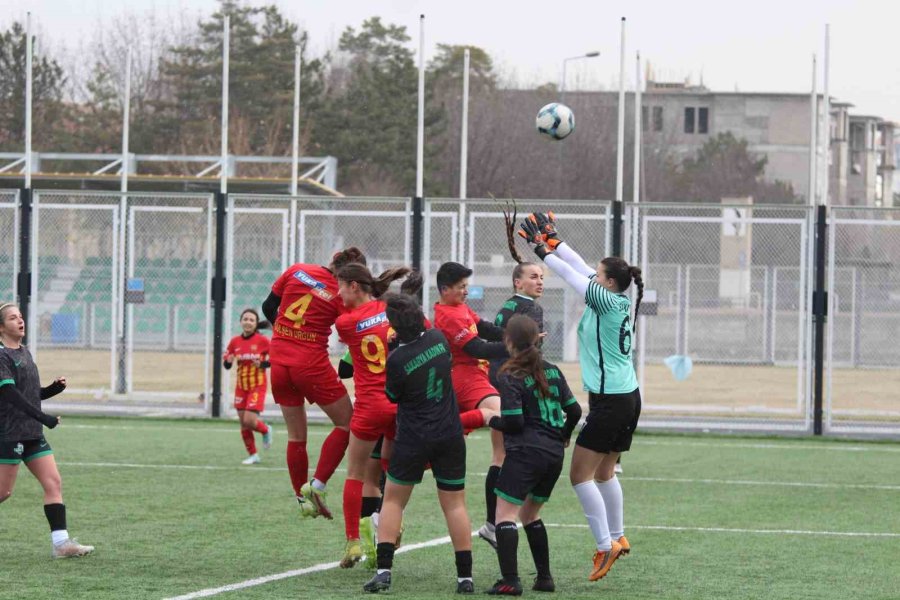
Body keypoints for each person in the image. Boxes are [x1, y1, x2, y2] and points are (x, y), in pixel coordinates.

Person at [519, 213, 643, 582]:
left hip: (611, 402)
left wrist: (538, 249)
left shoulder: (603, 300)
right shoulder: (613, 295)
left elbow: (570, 274)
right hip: (629, 397)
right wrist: (552, 238)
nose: (594, 274)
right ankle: (618, 535)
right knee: (605, 473)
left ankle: (605, 546)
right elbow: (578, 263)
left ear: (607, 283)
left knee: (579, 476)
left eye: (599, 273)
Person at [363, 293, 474, 594]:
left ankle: (384, 572)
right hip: (450, 434)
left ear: (394, 326)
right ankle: (465, 578)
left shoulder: (397, 358)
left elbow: (392, 396)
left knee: (394, 500)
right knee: (454, 505)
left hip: (413, 437)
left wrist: (394, 351)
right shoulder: (438, 338)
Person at [261, 247, 366, 519]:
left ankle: (301, 499)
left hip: (280, 361)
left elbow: (267, 307)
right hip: (310, 365)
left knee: (296, 436)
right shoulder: (340, 293)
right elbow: (356, 329)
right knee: (347, 423)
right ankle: (316, 485)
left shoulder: (296, 270)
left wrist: (287, 335)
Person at [485, 315, 582, 595]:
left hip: (527, 452)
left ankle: (510, 581)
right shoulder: (552, 369)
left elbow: (514, 423)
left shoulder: (509, 373)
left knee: (505, 514)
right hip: (553, 454)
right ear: (537, 338)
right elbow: (574, 411)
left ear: (508, 341)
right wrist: (563, 434)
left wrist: (490, 420)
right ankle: (544, 578)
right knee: (530, 514)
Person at [334, 263, 420, 568]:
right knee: (390, 471)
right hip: (398, 403)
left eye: (341, 286)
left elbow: (345, 361)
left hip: (369, 406)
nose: (338, 292)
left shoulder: (345, 322)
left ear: (354, 286)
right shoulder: (391, 310)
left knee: (356, 474)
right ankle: (392, 525)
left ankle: (354, 541)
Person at [0, 302, 93, 558]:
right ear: (1, 327)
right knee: (3, 492)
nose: (20, 321)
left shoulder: (24, 352)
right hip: (10, 434)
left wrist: (52, 389)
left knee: (53, 483)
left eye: (20, 316)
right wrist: (45, 418)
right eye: (12, 318)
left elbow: (30, 394)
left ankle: (61, 545)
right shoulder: (2, 356)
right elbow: (11, 396)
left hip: (32, 434)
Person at [432, 262, 506, 548]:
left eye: (466, 286)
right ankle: (494, 522)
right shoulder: (447, 316)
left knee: (435, 450)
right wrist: (516, 344)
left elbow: (484, 327)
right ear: (444, 289)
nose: (465, 291)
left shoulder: (460, 308)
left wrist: (510, 333)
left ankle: (494, 523)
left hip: (474, 375)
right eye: (461, 287)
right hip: (464, 378)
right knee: (501, 417)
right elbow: (478, 348)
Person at [223, 309, 273, 465]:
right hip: (241, 387)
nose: (248, 322)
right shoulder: (234, 342)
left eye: (251, 320)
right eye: (245, 319)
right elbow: (227, 364)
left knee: (250, 420)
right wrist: (228, 361)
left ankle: (265, 430)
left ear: (256, 323)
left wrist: (263, 363)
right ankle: (253, 455)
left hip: (257, 386)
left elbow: (276, 358)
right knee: (243, 423)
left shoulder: (263, 341)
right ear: (241, 321)